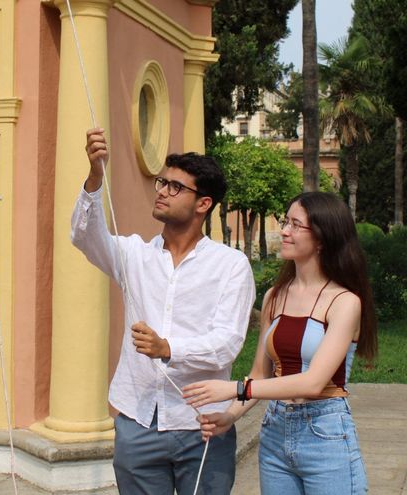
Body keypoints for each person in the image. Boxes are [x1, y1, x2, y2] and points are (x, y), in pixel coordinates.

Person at [73, 128, 255, 494]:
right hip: (137, 422)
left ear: (203, 204)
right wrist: (95, 175)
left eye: (175, 187)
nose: (161, 191)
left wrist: (167, 348)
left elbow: (228, 343)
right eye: (162, 182)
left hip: (202, 425)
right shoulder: (134, 255)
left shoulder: (230, 265)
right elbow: (84, 236)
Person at [182, 191, 376, 495]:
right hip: (274, 433)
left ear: (322, 238)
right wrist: (229, 416)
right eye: (286, 222)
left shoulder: (344, 302)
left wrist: (234, 388)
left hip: (324, 434)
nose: (284, 230)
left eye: (296, 225)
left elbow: (313, 383)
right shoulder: (276, 295)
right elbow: (261, 373)